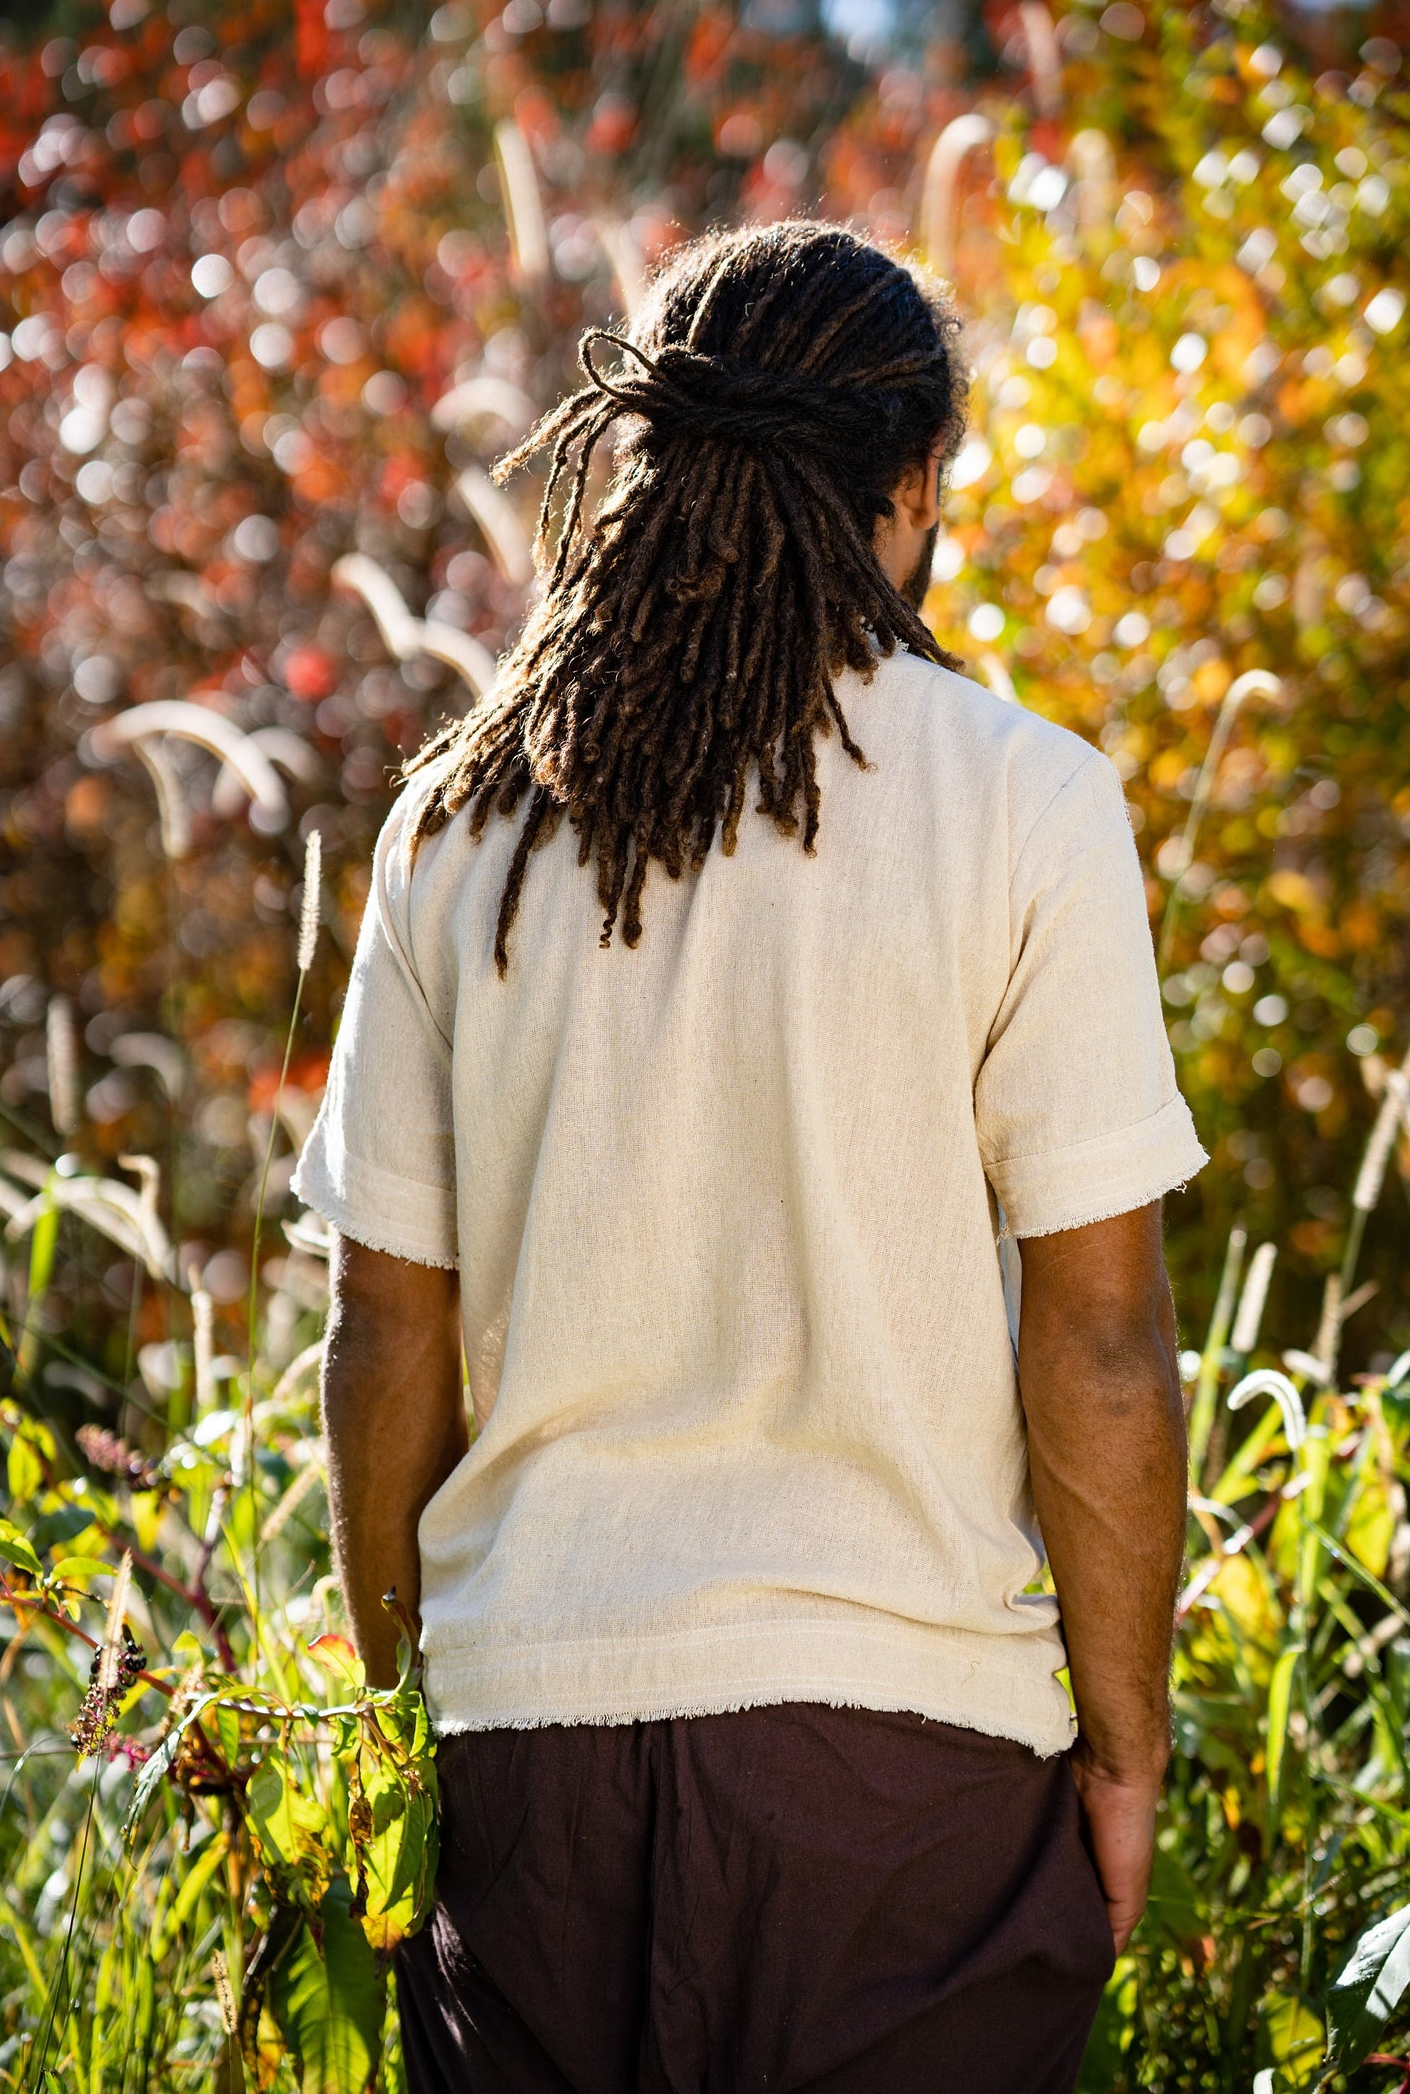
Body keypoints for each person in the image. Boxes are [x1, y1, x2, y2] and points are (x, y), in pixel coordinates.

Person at [292, 220, 1207, 2094]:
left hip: (530, 1766)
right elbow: (1101, 1343)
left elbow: (381, 1333)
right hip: (911, 1780)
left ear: (643, 467)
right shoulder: (1028, 803)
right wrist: (1122, 1756)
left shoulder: (459, 830)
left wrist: (407, 1720)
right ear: (914, 486)